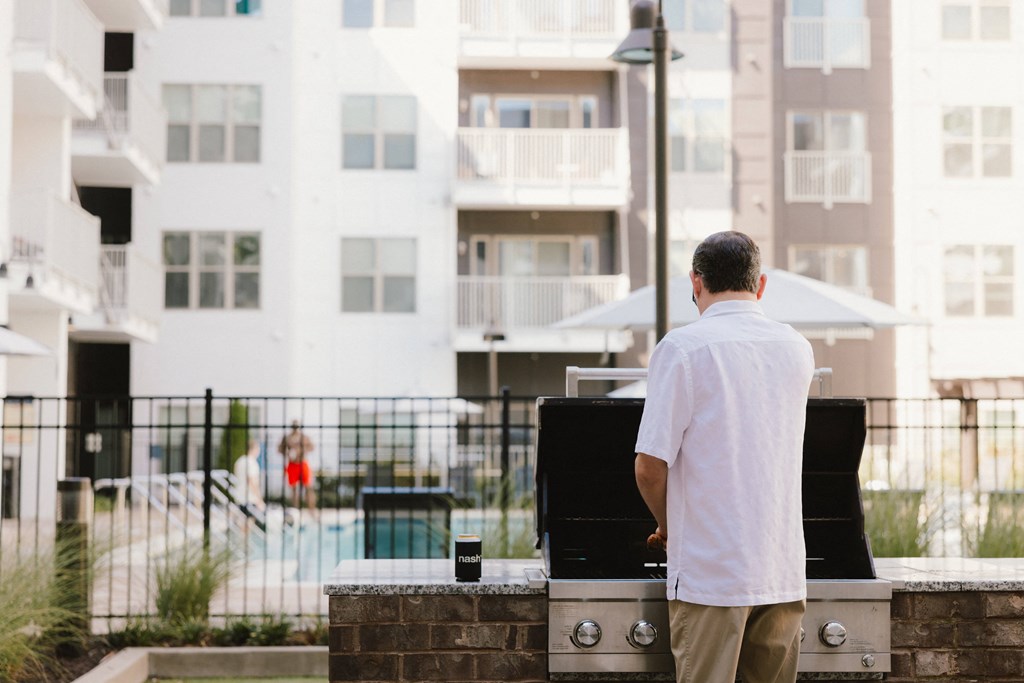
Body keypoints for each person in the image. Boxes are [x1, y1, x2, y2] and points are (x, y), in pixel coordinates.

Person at [634, 230, 815, 683]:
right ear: (761, 285)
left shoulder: (682, 349)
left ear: (695, 282)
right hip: (781, 569)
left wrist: (668, 528)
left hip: (711, 575)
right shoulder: (797, 347)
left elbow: (649, 468)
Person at [278, 420, 316, 510]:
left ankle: (312, 509)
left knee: (308, 487)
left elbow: (312, 447)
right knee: (294, 489)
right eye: (294, 426)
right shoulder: (287, 438)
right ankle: (296, 509)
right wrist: (287, 453)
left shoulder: (304, 437)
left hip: (303, 463)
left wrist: (302, 450)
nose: (295, 428)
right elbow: (280, 449)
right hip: (292, 464)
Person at [233, 439, 266, 528]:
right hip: (250, 499)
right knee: (249, 524)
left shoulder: (239, 461)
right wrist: (259, 499)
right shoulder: (252, 462)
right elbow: (251, 481)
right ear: (254, 449)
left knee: (243, 523)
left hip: (239, 497)